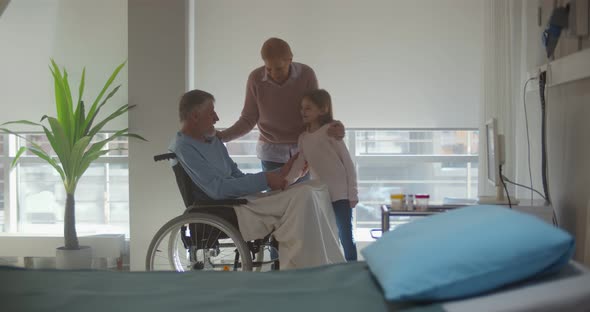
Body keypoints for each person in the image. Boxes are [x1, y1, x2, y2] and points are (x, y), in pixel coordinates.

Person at [169, 89, 345, 269]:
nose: (217, 118)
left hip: (244, 200)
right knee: (305, 194)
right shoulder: (184, 147)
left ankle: (326, 263)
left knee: (315, 188)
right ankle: (303, 267)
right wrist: (266, 179)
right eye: (211, 112)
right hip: (227, 207)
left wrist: (281, 172)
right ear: (195, 116)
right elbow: (217, 190)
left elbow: (237, 177)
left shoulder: (212, 141)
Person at [216, 37, 345, 174]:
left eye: (279, 68)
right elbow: (248, 119)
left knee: (302, 193)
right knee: (276, 194)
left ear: (290, 60)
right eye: (268, 68)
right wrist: (222, 137)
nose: (273, 74)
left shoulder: (306, 74)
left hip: (303, 148)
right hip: (271, 152)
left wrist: (334, 126)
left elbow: (316, 111)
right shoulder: (255, 79)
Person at [285, 89, 358, 261]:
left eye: (308, 108)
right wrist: (287, 181)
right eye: (302, 108)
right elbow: (299, 164)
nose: (303, 111)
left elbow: (348, 163)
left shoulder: (330, 132)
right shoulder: (303, 138)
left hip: (341, 195)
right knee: (327, 235)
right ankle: (333, 266)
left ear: (323, 109)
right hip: (320, 194)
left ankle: (353, 267)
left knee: (345, 234)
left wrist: (353, 193)